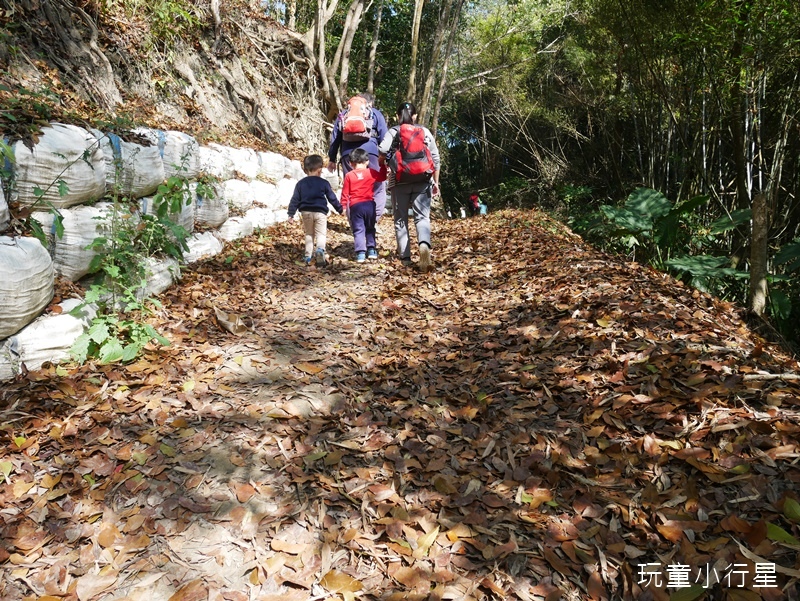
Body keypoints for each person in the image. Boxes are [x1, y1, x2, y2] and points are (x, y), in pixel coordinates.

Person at [378, 101, 441, 273]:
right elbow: (435, 159)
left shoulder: (394, 131)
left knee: (400, 219)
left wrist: (382, 161)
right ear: (415, 116)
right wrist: (436, 181)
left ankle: (405, 258)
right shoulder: (425, 132)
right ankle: (424, 247)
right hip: (423, 180)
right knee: (422, 218)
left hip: (400, 182)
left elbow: (382, 149)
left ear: (398, 116)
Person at [328, 92, 389, 222]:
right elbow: (384, 137)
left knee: (351, 189)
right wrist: (386, 158)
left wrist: (332, 159)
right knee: (378, 188)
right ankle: (372, 221)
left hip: (348, 155)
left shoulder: (344, 114)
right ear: (369, 103)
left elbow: (335, 138)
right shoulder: (375, 113)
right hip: (371, 154)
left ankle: (356, 224)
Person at [287, 154, 343, 267]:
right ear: (320, 170)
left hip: (306, 212)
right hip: (320, 212)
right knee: (321, 234)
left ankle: (308, 256)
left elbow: (295, 199)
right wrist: (340, 209)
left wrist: (291, 214)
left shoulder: (300, 184)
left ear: (306, 169)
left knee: (309, 234)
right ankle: (320, 250)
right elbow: (332, 198)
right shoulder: (324, 183)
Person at [340, 148, 387, 262]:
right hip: (370, 205)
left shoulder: (349, 176)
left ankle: (361, 253)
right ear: (367, 161)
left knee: (358, 229)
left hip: (355, 206)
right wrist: (382, 165)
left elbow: (345, 193)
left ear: (350, 163)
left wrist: (343, 207)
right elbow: (383, 177)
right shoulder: (371, 172)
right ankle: (371, 250)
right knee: (370, 227)